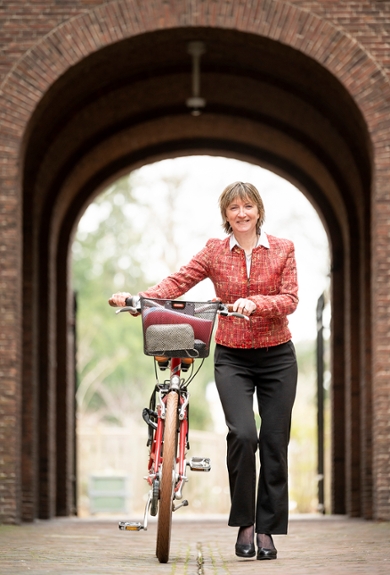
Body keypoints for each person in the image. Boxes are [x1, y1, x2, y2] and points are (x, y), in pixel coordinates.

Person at [109, 181, 298, 561]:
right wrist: (139, 300)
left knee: (274, 443)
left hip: (278, 356)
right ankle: (245, 523)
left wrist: (255, 303)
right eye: (234, 208)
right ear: (226, 214)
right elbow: (177, 281)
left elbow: (290, 298)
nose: (241, 213)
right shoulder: (214, 251)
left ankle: (267, 531)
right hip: (233, 356)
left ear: (258, 210)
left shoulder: (282, 249)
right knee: (243, 435)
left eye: (248, 206)